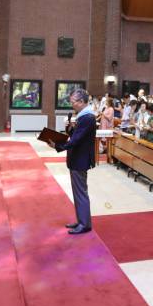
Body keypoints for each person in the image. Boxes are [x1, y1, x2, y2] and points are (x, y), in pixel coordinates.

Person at [54, 88, 96, 234]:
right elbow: (76, 136)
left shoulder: (87, 117)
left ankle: (85, 224)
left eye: (73, 102)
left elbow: (76, 140)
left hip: (80, 160)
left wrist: (57, 145)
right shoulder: (82, 116)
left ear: (82, 102)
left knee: (80, 193)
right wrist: (70, 129)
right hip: (77, 158)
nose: (72, 105)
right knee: (78, 192)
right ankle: (81, 220)